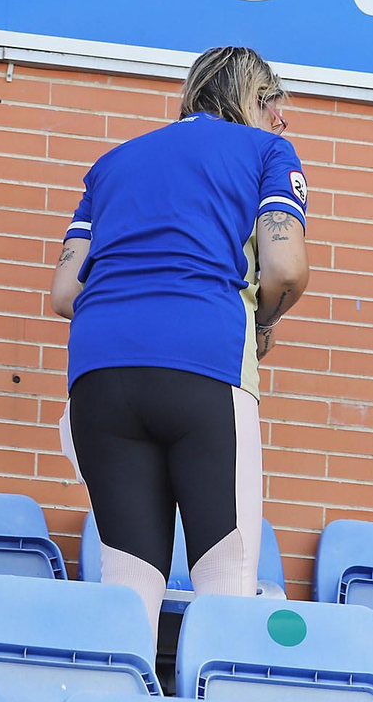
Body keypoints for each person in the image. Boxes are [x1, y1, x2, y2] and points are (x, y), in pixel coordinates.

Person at [49, 46, 310, 629]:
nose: (282, 121)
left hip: (99, 374)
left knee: (129, 584)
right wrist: (262, 322)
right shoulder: (269, 151)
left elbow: (66, 292)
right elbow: (287, 268)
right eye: (276, 105)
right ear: (254, 99)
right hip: (205, 364)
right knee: (227, 580)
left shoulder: (113, 162)